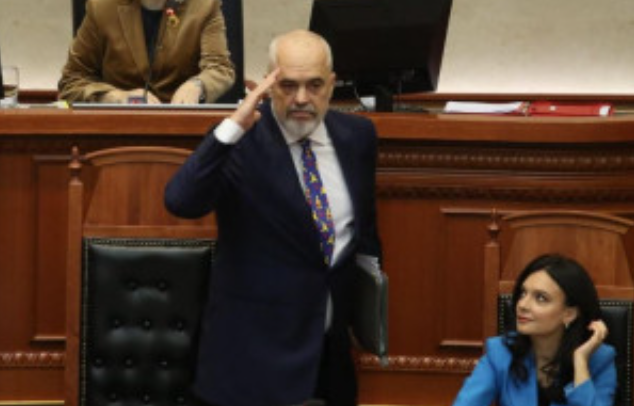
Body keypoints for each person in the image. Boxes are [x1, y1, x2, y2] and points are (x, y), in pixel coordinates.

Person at [164, 29, 382, 406]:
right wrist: (232, 126)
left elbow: (364, 230)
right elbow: (181, 201)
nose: (302, 98)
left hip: (329, 355)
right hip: (252, 357)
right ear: (267, 85)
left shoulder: (357, 136)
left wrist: (367, 315)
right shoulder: (242, 141)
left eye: (314, 85)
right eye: (288, 85)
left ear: (332, 85)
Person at [453, 254, 616, 406]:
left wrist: (580, 362)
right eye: (523, 293)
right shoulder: (500, 353)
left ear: (569, 314)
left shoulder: (599, 360)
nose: (523, 305)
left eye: (541, 298)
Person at [58, 0, 235, 104]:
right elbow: (72, 81)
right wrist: (115, 97)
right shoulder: (102, 7)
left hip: (181, 125)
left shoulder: (204, 6)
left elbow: (219, 68)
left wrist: (197, 86)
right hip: (118, 127)